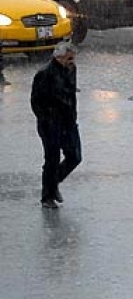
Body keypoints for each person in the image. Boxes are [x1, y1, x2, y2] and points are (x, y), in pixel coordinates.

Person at [31, 42, 81, 209]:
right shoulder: (45, 74)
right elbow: (36, 102)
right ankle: (48, 196)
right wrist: (47, 119)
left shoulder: (71, 69)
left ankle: (52, 185)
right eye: (69, 58)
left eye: (73, 58)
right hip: (51, 123)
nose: (72, 61)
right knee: (52, 158)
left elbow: (71, 94)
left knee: (74, 156)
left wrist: (72, 116)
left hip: (68, 121)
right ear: (59, 57)